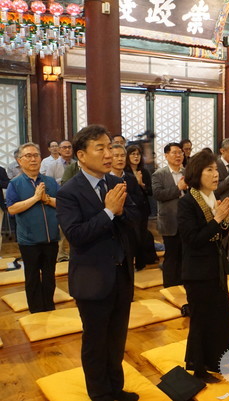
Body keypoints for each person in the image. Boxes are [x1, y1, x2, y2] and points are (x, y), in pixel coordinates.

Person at [57, 125, 140, 401]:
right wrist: (108, 212)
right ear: (81, 155)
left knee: (117, 340)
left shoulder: (117, 183)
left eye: (111, 147)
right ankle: (101, 395)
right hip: (93, 280)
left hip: (121, 276)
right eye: (100, 148)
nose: (110, 154)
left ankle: (116, 388)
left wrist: (120, 212)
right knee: (96, 342)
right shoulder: (69, 192)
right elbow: (76, 236)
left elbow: (132, 222)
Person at [178, 151, 229, 384]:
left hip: (215, 268)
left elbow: (218, 235)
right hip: (198, 271)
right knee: (202, 320)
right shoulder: (187, 202)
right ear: (197, 173)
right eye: (209, 170)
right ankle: (199, 368)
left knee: (219, 317)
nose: (215, 174)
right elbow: (193, 239)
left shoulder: (212, 199)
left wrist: (223, 220)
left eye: (216, 169)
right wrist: (217, 219)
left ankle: (217, 361)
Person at [6, 143, 59, 313]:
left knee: (50, 276)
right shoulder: (15, 183)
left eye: (36, 155)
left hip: (51, 237)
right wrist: (35, 198)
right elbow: (12, 208)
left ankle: (49, 306)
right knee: (32, 276)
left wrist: (46, 199)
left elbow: (62, 204)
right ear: (19, 161)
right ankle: (36, 309)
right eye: (28, 156)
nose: (33, 159)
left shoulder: (49, 181)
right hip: (29, 240)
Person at [152, 143, 188, 288]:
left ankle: (184, 283)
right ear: (166, 155)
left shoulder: (188, 172)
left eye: (180, 152)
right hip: (169, 221)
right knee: (171, 256)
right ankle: (170, 287)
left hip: (186, 220)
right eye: (174, 153)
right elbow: (158, 194)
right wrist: (178, 189)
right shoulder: (159, 174)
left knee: (185, 255)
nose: (178, 155)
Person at [125, 144, 158, 270]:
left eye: (138, 154)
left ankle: (141, 262)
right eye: (133, 154)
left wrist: (142, 185)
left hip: (143, 208)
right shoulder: (125, 172)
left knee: (142, 235)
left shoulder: (144, 171)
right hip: (130, 208)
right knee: (133, 235)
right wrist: (136, 183)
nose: (136, 156)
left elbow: (150, 191)